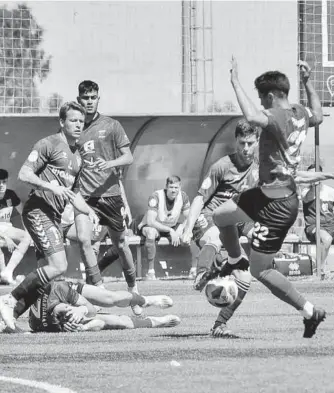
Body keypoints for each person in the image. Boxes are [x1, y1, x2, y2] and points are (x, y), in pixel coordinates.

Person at [210, 57, 326, 339]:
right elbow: (319, 115)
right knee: (219, 216)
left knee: (261, 270)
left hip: (278, 203)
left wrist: (235, 81)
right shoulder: (300, 113)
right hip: (264, 193)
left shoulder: (280, 117)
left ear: (272, 96)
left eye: (263, 99)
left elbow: (252, 117)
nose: (261, 104)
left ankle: (310, 311)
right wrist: (309, 84)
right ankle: (236, 260)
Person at [0, 102, 99, 331]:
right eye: (73, 120)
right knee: (59, 265)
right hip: (37, 210)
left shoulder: (78, 157)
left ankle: (10, 318)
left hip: (52, 217)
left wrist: (90, 211)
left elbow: (74, 195)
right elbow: (24, 173)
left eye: (81, 122)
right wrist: (51, 187)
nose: (78, 125)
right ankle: (10, 299)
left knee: (47, 279)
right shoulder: (48, 144)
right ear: (62, 122)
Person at [181, 119, 259, 337]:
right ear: (235, 141)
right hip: (208, 218)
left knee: (245, 279)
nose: (245, 148)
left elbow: (247, 212)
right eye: (242, 143)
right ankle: (202, 273)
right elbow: (199, 198)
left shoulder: (257, 173)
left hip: (232, 223)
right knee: (215, 235)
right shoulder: (221, 166)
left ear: (257, 142)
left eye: (250, 143)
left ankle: (219, 325)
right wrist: (187, 228)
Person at [74, 80, 142, 315]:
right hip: (85, 195)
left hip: (110, 195)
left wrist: (110, 163)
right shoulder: (74, 127)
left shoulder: (111, 126)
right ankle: (100, 292)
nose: (89, 101)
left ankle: (134, 291)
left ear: (98, 99)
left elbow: (129, 157)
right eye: (85, 97)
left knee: (121, 244)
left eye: (93, 97)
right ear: (79, 99)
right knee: (84, 240)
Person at [10, 280, 179, 333]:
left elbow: (89, 308)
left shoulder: (59, 290)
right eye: (68, 316)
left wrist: (82, 309)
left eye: (67, 310)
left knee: (111, 298)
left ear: (62, 305)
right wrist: (85, 326)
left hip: (70, 289)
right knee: (118, 322)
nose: (69, 312)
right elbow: (100, 323)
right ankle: (156, 322)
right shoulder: (47, 326)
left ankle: (145, 300)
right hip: (58, 312)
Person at [134, 175, 191, 280]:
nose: (173, 190)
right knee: (151, 233)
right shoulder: (156, 196)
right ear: (166, 187)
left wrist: (181, 228)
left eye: (176, 187)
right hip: (152, 225)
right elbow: (151, 221)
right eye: (171, 187)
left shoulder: (183, 197)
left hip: (171, 226)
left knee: (190, 232)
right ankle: (150, 272)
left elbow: (190, 217)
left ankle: (194, 269)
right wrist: (171, 231)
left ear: (180, 187)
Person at [0, 169, 32, 284]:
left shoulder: (10, 195)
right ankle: (3, 273)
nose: (1, 185)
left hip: (6, 229)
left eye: (4, 182)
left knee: (27, 237)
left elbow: (23, 213)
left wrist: (28, 230)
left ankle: (7, 271)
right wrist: (6, 237)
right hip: (1, 232)